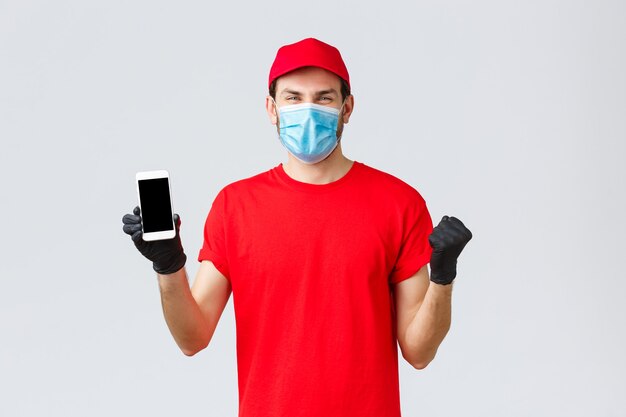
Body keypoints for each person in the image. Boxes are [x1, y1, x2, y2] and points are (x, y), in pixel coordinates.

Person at [122, 37, 472, 417]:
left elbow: (419, 352)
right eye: (293, 97)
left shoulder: (399, 203)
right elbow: (192, 338)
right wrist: (169, 266)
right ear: (271, 109)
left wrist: (443, 277)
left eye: (324, 98)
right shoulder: (235, 206)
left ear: (347, 107)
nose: (308, 109)